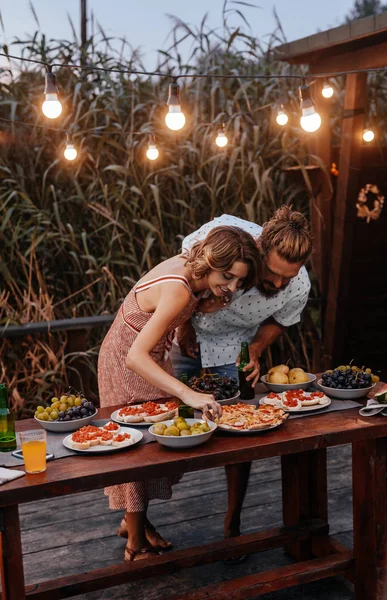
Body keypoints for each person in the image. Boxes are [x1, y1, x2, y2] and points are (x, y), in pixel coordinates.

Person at [98, 225, 261, 562]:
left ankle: (134, 524)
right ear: (212, 259)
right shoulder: (180, 290)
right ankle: (135, 545)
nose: (231, 288)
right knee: (139, 447)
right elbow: (134, 356)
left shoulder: (193, 274)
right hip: (129, 360)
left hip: (150, 357)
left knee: (158, 444)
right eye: (228, 276)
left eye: (239, 282)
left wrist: (188, 324)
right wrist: (188, 394)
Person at [171, 206, 313, 544]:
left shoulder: (298, 283)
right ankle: (137, 518)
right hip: (183, 338)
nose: (279, 284)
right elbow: (184, 273)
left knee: (238, 433)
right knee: (166, 426)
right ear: (258, 248)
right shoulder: (224, 231)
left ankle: (232, 524)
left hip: (230, 347)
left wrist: (255, 350)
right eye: (273, 273)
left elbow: (282, 319)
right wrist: (183, 321)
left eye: (287, 278)